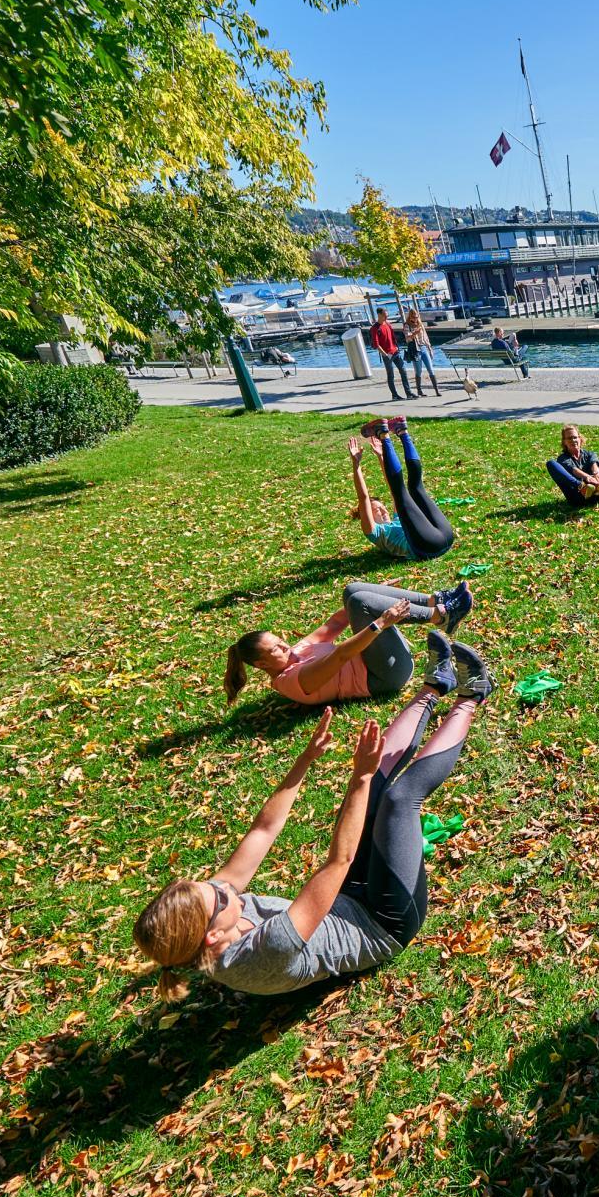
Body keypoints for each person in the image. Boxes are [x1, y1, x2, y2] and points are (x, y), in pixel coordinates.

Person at [135, 641, 494, 996]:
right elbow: (339, 861)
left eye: (211, 884)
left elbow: (264, 829)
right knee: (399, 800)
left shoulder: (212, 912)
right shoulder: (265, 952)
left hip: (345, 896)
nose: (223, 887)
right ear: (212, 936)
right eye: (220, 897)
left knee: (376, 781)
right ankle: (473, 694)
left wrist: (306, 759)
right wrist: (360, 778)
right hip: (384, 922)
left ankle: (434, 685)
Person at [223, 580, 472, 706]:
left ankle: (434, 601)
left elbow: (333, 625)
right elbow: (340, 656)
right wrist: (381, 622)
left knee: (353, 592)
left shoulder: (295, 652)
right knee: (359, 603)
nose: (285, 646)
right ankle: (441, 616)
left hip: (382, 655)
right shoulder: (291, 682)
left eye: (280, 640)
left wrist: (379, 593)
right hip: (385, 675)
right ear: (261, 663)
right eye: (276, 648)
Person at [348, 416, 457, 562]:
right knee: (401, 492)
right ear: (367, 516)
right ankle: (383, 433)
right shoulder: (375, 532)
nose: (383, 510)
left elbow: (393, 490)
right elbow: (364, 498)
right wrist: (356, 465)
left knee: (416, 487)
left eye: (382, 507)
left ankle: (402, 431)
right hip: (427, 548)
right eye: (376, 510)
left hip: (447, 536)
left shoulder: (399, 519)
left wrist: (382, 456)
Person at [545, 424, 599, 504]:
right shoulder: (563, 458)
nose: (573, 440)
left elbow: (594, 463)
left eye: (575, 437)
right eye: (569, 438)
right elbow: (574, 470)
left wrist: (597, 474)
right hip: (578, 497)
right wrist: (587, 477)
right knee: (550, 463)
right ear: (564, 442)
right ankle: (582, 487)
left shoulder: (589, 454)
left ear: (580, 438)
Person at [369, 308, 412, 400]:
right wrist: (385, 354)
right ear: (379, 315)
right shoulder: (374, 328)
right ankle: (395, 395)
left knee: (403, 371)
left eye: (387, 315)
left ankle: (409, 393)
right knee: (391, 375)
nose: (387, 316)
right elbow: (376, 345)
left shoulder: (388, 324)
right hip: (387, 355)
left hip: (395, 352)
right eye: (385, 315)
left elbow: (393, 338)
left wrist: (396, 347)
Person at [402, 308, 443, 396]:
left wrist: (430, 348)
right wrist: (414, 334)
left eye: (417, 317)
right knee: (418, 371)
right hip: (415, 350)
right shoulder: (407, 325)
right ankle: (419, 390)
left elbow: (426, 337)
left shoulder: (420, 324)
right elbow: (407, 338)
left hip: (424, 347)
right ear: (410, 317)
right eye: (414, 317)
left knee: (431, 369)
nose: (416, 319)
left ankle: (437, 390)